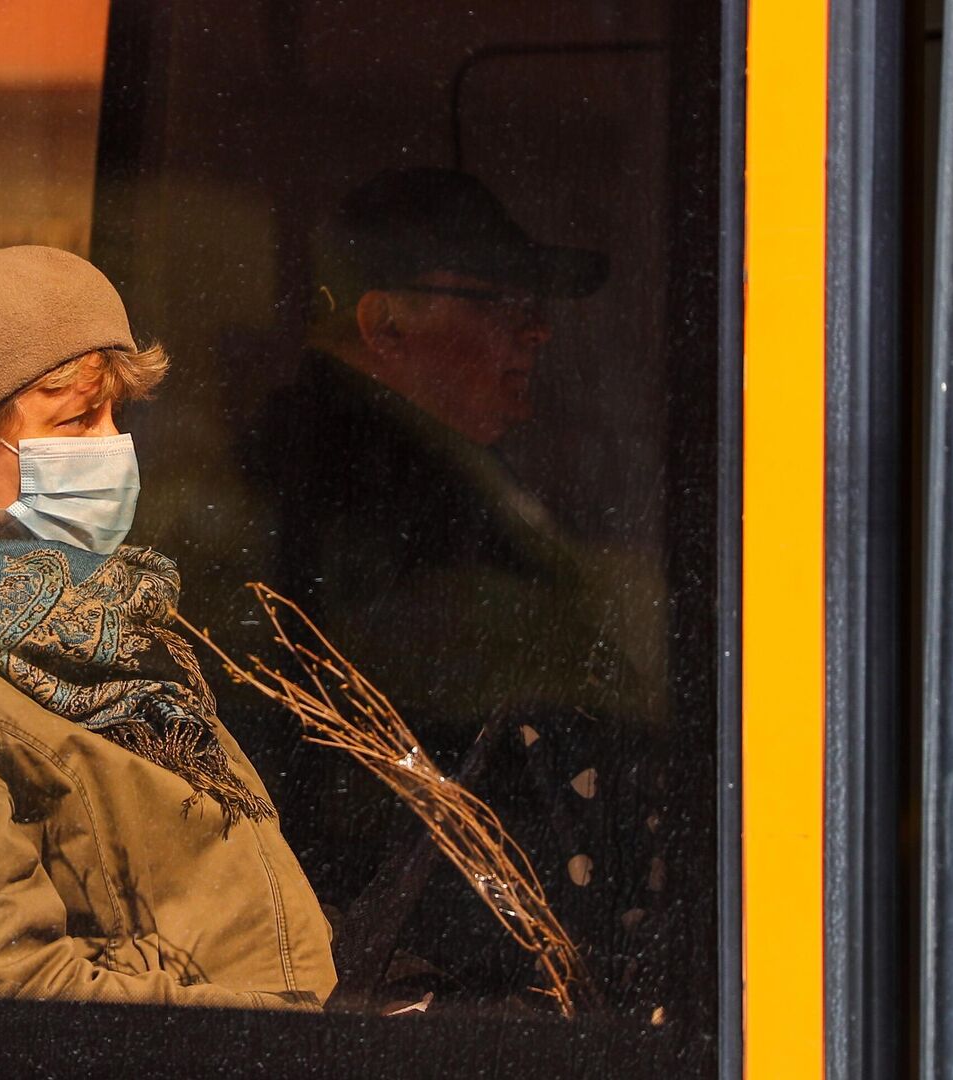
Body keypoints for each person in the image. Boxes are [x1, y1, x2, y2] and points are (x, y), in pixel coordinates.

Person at [238, 171, 670, 1010]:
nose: (539, 330)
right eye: (503, 303)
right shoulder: (351, 492)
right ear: (385, 323)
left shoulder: (427, 476)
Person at [0, 245, 336, 1009]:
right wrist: (280, 1037)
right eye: (78, 418)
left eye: (118, 416)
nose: (112, 448)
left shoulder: (82, 621)